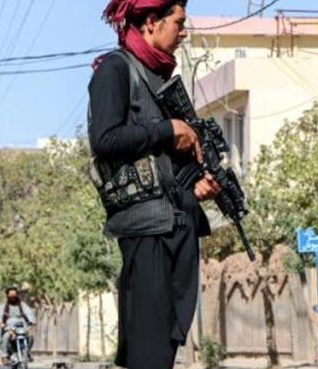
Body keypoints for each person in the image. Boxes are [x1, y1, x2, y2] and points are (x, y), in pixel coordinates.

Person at [88, 1, 220, 368]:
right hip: (146, 229)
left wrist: (198, 187)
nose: (183, 32)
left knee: (162, 350)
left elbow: (167, 165)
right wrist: (167, 130)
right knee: (148, 352)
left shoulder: (161, 79)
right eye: (178, 23)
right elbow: (105, 140)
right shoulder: (115, 70)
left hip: (178, 225)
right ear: (151, 21)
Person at [0, 285, 36, 365]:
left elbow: (29, 312)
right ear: (7, 296)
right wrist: (0, 323)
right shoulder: (3, 307)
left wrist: (32, 321)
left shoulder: (22, 305)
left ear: (17, 295)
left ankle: (28, 352)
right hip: (9, 329)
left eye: (14, 294)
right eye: (11, 295)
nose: (13, 296)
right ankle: (5, 356)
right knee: (5, 336)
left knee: (30, 337)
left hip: (22, 328)